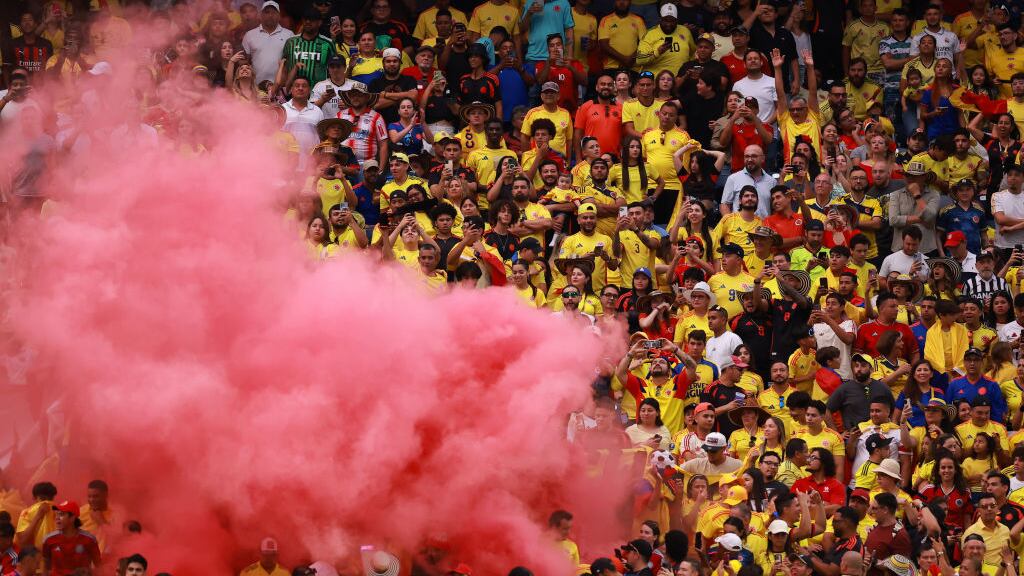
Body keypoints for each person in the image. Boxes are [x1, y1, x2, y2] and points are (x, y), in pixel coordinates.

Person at [827, 354, 895, 431]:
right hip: (855, 436)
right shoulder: (844, 388)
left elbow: (894, 410)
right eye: (856, 366)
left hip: (880, 434)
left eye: (863, 366)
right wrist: (836, 434)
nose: (859, 369)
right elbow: (826, 410)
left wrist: (891, 428)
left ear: (871, 369)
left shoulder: (882, 387)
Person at [41, 500, 100, 576]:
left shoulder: (89, 539)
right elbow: (45, 564)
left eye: (61, 514)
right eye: (57, 514)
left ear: (72, 518)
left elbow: (98, 565)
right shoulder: (49, 539)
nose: (57, 518)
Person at [948, 349, 1008, 423]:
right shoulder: (954, 384)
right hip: (959, 430)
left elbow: (997, 414)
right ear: (964, 363)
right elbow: (949, 411)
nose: (972, 363)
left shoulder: (992, 385)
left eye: (976, 360)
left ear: (982, 363)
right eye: (969, 360)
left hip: (984, 430)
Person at [241, 1, 295, 84]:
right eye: (267, 12)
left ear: (279, 16)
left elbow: (293, 62)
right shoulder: (249, 35)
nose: (270, 15)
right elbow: (244, 61)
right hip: (255, 87)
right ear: (261, 15)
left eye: (274, 12)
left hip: (280, 88)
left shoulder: (289, 35)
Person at [635, 4, 695, 76]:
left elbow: (693, 53)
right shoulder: (650, 34)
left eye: (672, 21)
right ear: (660, 19)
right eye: (666, 20)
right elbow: (639, 59)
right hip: (656, 80)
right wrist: (658, 52)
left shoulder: (685, 31)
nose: (668, 24)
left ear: (677, 20)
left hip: (680, 79)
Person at [720, 146, 776, 218]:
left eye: (754, 156)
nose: (749, 159)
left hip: (763, 227)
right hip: (739, 227)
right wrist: (731, 224)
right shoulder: (733, 178)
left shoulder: (772, 182)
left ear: (763, 158)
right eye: (747, 156)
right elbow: (724, 205)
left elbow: (775, 208)